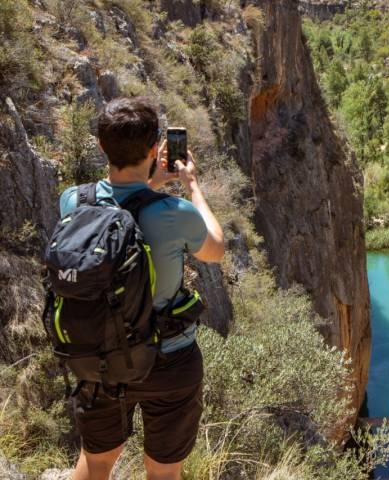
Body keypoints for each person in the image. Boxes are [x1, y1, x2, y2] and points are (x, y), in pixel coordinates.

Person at [59, 97, 225, 480]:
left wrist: (149, 182)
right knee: (163, 472)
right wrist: (191, 184)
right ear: (155, 149)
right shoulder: (174, 213)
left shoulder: (73, 201)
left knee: (97, 459)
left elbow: (116, 212)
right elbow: (214, 248)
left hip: (97, 359)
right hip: (168, 361)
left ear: (102, 146)